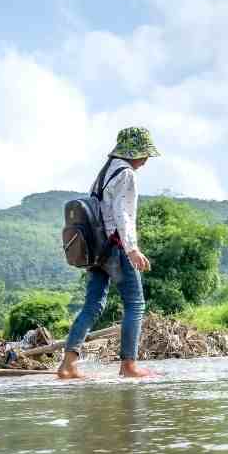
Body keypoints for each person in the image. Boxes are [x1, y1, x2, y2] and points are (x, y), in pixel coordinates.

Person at [58, 127, 160, 380]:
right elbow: (123, 214)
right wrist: (132, 249)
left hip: (96, 250)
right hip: (115, 246)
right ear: (134, 153)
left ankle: (68, 364)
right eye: (145, 154)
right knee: (135, 304)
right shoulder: (125, 174)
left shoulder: (104, 172)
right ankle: (129, 365)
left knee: (92, 304)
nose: (146, 160)